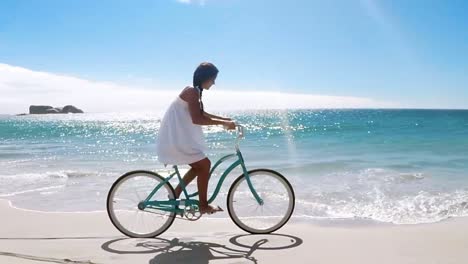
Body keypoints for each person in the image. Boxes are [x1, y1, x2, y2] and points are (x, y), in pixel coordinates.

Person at [156, 62, 236, 215]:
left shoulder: (195, 92)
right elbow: (197, 119)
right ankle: (203, 205)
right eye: (212, 79)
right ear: (204, 77)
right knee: (205, 164)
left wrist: (225, 119)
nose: (214, 83)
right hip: (175, 140)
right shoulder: (192, 92)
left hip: (176, 138)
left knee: (198, 166)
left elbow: (203, 114)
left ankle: (175, 194)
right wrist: (223, 123)